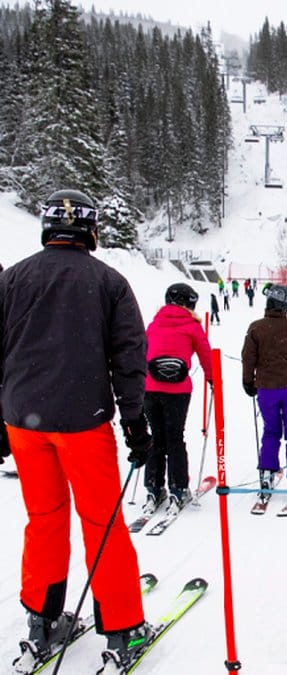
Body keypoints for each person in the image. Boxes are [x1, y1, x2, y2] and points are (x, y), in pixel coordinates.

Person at [0, 189, 152, 667]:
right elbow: (128, 357)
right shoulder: (108, 281)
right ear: (91, 229)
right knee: (101, 522)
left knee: (44, 518)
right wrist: (134, 420)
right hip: (83, 422)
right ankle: (124, 628)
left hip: (24, 419)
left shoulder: (13, 279)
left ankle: (42, 620)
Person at [143, 283, 213, 516]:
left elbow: (143, 352)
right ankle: (178, 488)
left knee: (156, 437)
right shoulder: (192, 326)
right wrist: (213, 379)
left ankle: (154, 487)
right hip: (177, 391)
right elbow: (206, 355)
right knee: (175, 438)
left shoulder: (154, 324)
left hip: (150, 388)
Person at [242, 284, 287, 497]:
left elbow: (248, 357)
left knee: (271, 430)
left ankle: (266, 472)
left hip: (266, 387)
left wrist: (248, 381)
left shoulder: (256, 327)